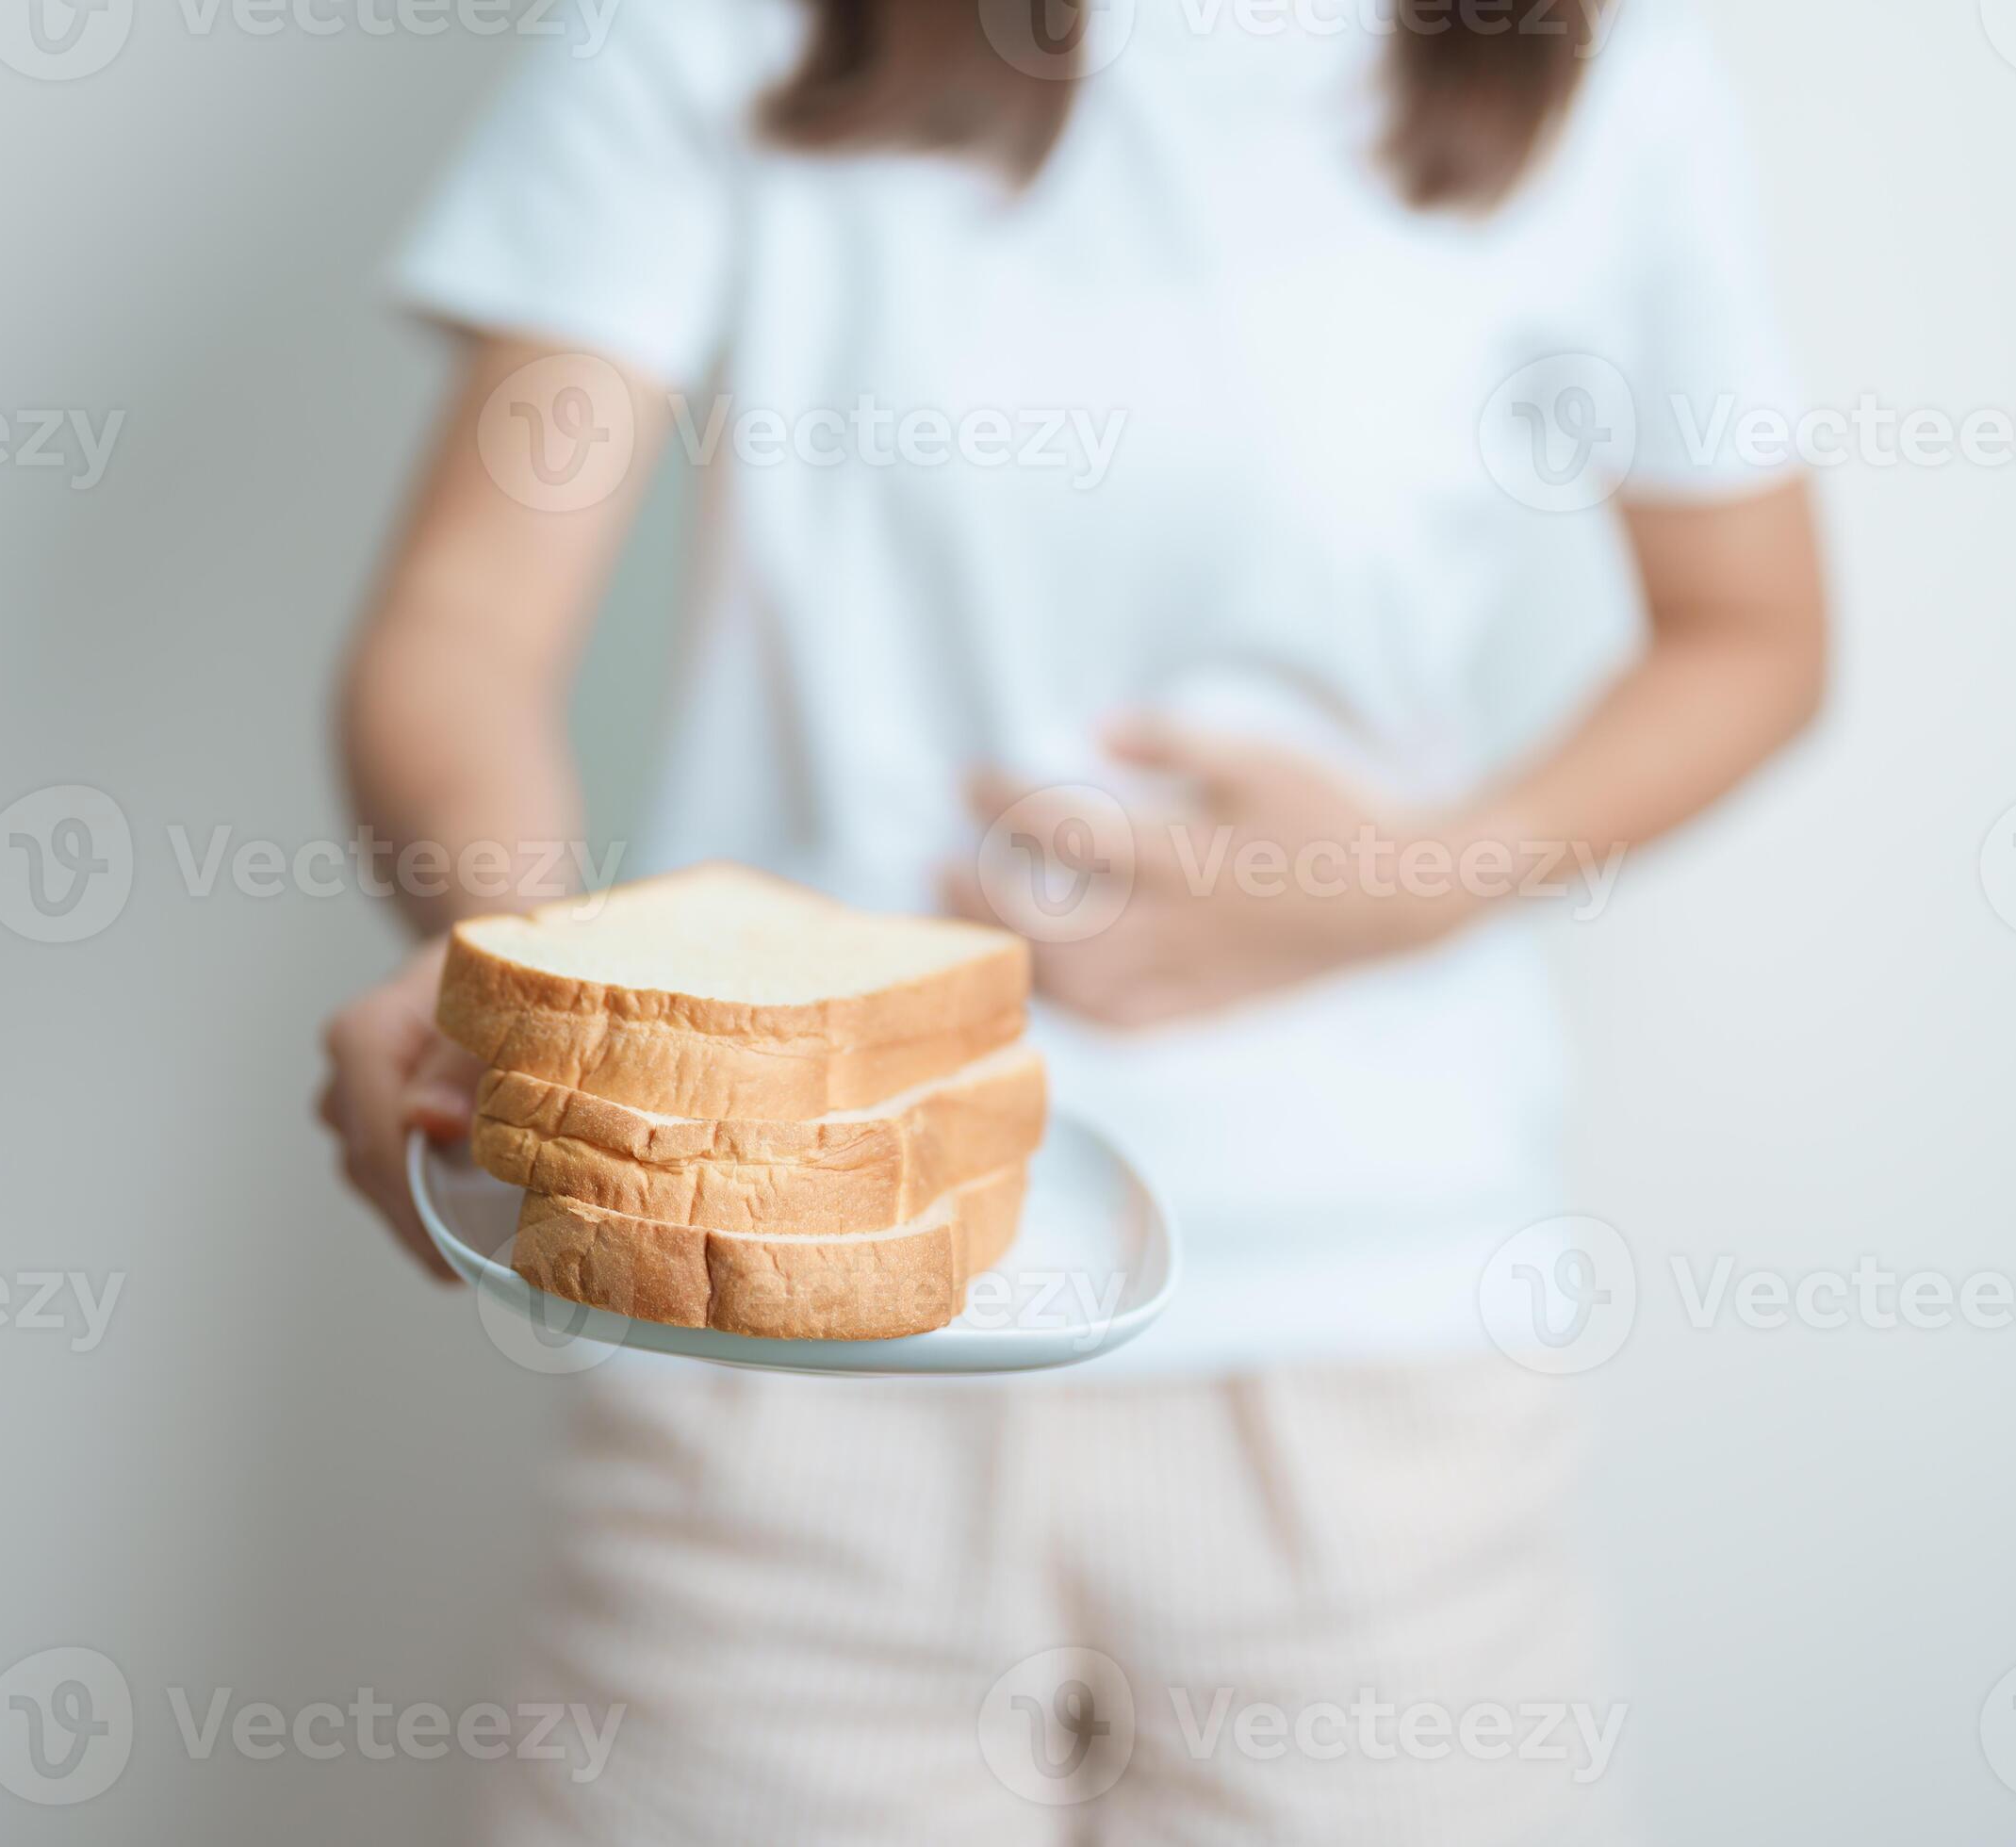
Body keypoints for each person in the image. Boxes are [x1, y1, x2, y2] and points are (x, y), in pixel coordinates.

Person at [317, 0, 1827, 1837]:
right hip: (775, 1368)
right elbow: (463, 625)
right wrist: (529, 985)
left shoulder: (1608, 74)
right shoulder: (714, 34)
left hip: (1373, 1395)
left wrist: (1399, 885)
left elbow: (1755, 627)